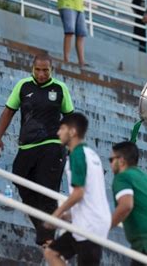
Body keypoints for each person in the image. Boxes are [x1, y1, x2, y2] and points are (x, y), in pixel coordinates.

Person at [0, 54, 74, 246]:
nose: (41, 74)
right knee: (19, 179)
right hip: (27, 146)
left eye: (45, 70)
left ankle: (47, 239)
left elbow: (70, 117)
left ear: (51, 70)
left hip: (53, 146)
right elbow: (8, 111)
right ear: (32, 68)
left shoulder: (60, 89)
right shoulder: (23, 86)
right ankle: (43, 229)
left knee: (47, 191)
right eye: (38, 69)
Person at [44, 113, 111, 266]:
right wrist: (69, 215)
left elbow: (79, 193)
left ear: (72, 132)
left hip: (90, 226)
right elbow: (89, 194)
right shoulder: (91, 154)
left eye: (62, 128)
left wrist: (56, 214)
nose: (58, 132)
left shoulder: (78, 155)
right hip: (87, 222)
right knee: (51, 252)